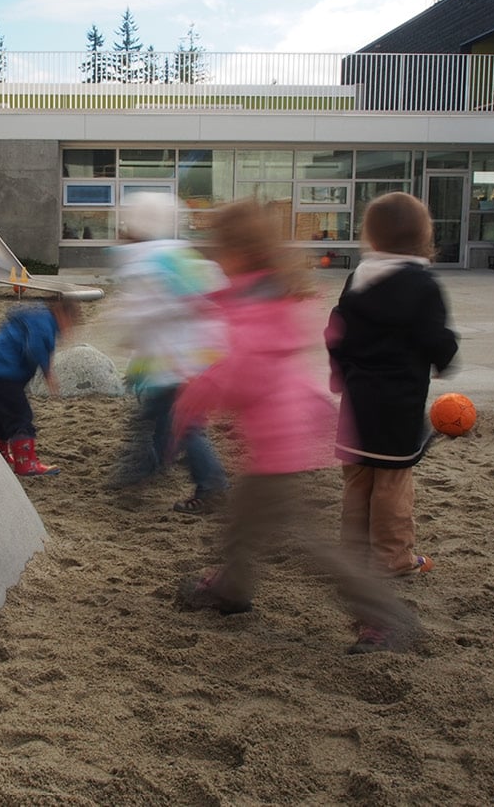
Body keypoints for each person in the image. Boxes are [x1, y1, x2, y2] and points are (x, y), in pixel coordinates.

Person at [171, 198, 418, 655]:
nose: (215, 257)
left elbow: (247, 371)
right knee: (243, 521)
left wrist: (200, 391)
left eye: (219, 249)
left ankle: (384, 617)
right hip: (280, 436)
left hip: (279, 443)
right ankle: (231, 587)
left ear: (239, 252)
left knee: (305, 542)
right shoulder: (259, 293)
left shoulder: (254, 303)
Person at [326, 193, 458, 581]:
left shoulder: (357, 279)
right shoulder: (422, 285)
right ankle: (393, 557)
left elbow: (337, 333)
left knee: (357, 482)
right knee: (392, 485)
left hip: (356, 402)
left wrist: (338, 373)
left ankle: (352, 555)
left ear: (371, 235)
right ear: (423, 236)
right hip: (398, 405)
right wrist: (445, 357)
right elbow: (435, 336)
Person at [102, 192, 229, 513]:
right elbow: (212, 297)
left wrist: (121, 329)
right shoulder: (182, 256)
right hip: (197, 360)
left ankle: (211, 484)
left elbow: (140, 316)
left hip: (174, 365)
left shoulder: (146, 265)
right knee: (158, 417)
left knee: (181, 425)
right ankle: (148, 466)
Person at [0, 297, 81, 476]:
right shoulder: (45, 323)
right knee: (20, 417)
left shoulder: (30, 317)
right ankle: (26, 463)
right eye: (70, 323)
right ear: (61, 314)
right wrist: (48, 372)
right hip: (3, 375)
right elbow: (35, 346)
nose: (68, 330)